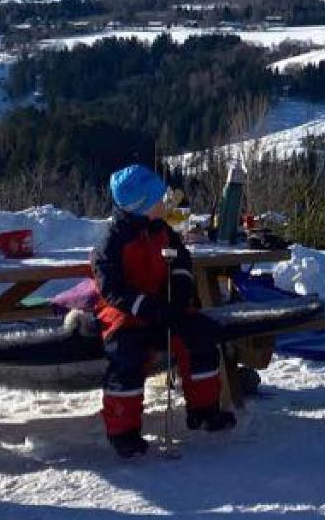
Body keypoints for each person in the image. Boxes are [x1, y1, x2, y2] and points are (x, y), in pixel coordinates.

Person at [93, 165, 239, 459]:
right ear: (141, 206)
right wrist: (146, 307)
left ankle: (203, 410)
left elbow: (181, 260)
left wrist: (181, 288)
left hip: (166, 304)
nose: (165, 203)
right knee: (127, 354)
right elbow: (111, 288)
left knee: (199, 336)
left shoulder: (162, 231)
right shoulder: (112, 241)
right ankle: (123, 431)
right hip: (127, 312)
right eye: (159, 199)